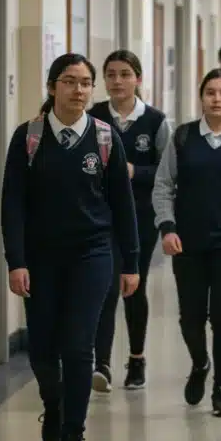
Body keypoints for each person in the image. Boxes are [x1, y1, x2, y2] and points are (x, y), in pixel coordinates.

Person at [1, 53, 140, 441]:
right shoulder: (28, 137)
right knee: (43, 349)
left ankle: (72, 438)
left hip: (93, 254)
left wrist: (130, 261)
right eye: (69, 82)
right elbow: (13, 204)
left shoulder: (104, 137)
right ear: (51, 87)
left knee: (79, 347)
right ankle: (54, 403)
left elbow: (122, 203)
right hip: (41, 258)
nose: (78, 91)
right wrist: (16, 261)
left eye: (85, 83)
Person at [154, 69, 221, 416]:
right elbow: (163, 185)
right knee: (191, 317)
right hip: (188, 240)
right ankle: (200, 364)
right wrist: (167, 227)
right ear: (201, 97)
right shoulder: (182, 137)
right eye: (210, 92)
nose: (216, 99)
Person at [88, 50, 170, 393]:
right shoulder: (92, 117)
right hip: (101, 217)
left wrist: (137, 172)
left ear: (138, 78)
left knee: (132, 284)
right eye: (110, 75)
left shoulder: (154, 121)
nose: (117, 81)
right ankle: (102, 363)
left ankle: (136, 358)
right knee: (105, 286)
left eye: (124, 74)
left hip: (141, 216)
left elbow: (168, 173)